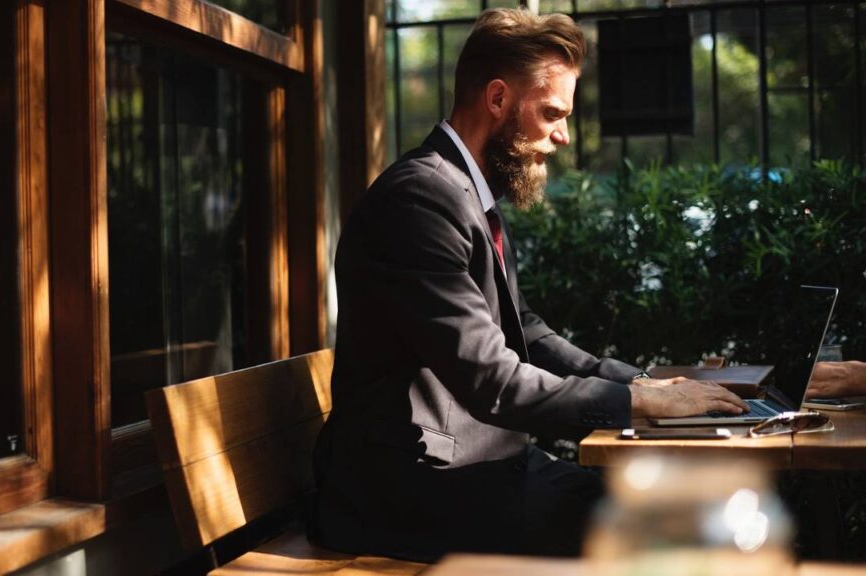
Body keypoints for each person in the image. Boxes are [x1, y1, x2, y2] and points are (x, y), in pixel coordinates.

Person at [310, 8, 747, 561]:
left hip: (474, 469)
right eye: (552, 113)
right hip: (410, 491)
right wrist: (636, 402)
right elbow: (494, 382)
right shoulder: (419, 200)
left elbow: (528, 334)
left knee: (673, 508)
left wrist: (644, 384)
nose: (563, 136)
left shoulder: (463, 192)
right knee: (668, 524)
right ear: (497, 100)